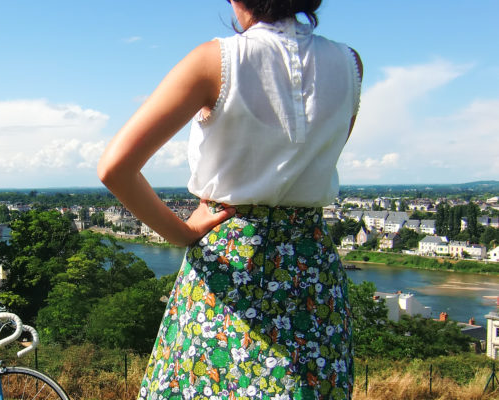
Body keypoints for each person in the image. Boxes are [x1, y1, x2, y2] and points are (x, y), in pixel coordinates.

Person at [98, 0, 362, 399]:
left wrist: (181, 232)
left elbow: (115, 168)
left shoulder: (215, 60)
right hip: (312, 269)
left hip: (231, 258)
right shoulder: (350, 64)